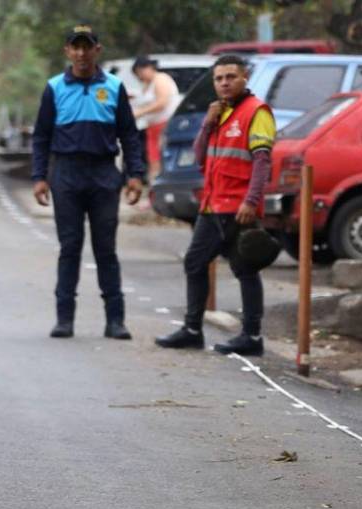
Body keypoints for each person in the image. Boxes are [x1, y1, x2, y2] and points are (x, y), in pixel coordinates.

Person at [155, 54, 275, 357]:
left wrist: (251, 200)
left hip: (237, 207)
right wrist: (207, 123)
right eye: (219, 78)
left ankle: (245, 335)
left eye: (231, 77)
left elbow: (262, 162)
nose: (224, 83)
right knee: (210, 264)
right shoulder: (219, 113)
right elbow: (200, 157)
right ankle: (200, 331)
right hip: (213, 204)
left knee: (235, 267)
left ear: (244, 77)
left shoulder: (256, 112)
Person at [31, 24, 144, 340]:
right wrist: (39, 177)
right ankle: (64, 319)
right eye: (75, 47)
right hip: (65, 174)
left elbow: (129, 135)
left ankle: (115, 320)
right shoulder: (54, 87)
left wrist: (135, 174)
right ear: (67, 51)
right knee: (70, 247)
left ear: (97, 50)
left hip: (104, 174)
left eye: (87, 46)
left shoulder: (114, 86)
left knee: (105, 248)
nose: (81, 53)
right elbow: (41, 137)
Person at [131, 56, 179, 182]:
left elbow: (162, 102)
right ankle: (155, 188)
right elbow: (146, 100)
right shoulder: (147, 84)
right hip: (152, 127)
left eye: (140, 73)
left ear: (148, 68)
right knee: (153, 159)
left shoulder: (160, 79)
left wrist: (140, 112)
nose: (140, 77)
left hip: (165, 125)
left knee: (162, 158)